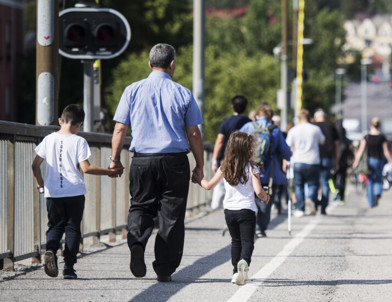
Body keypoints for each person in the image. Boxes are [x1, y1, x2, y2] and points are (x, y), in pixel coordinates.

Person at [109, 43, 204, 282]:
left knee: (141, 206)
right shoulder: (183, 93)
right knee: (171, 215)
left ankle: (137, 244)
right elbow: (193, 133)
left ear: (149, 64)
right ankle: (164, 268)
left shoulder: (132, 90)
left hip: (143, 160)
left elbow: (120, 128)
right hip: (174, 161)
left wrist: (114, 160)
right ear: (172, 64)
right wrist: (200, 165)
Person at [31, 104, 121, 279]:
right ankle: (69, 268)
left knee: (55, 226)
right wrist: (109, 172)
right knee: (72, 229)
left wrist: (40, 184)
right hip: (75, 192)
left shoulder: (49, 139)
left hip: (53, 193)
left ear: (60, 120)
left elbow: (35, 165)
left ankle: (50, 250)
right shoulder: (79, 141)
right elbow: (86, 168)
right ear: (80, 124)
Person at [194, 132, 270, 286]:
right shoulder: (252, 167)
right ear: (247, 149)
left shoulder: (225, 166)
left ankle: (236, 272)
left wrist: (198, 179)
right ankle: (244, 262)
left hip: (230, 211)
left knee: (235, 241)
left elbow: (209, 186)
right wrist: (265, 198)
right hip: (247, 210)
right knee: (248, 241)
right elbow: (259, 191)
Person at [239, 103, 291, 237]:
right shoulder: (274, 130)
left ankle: (245, 227)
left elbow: (236, 145)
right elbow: (285, 152)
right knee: (265, 200)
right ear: (271, 117)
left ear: (257, 114)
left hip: (248, 171)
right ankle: (259, 227)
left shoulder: (248, 126)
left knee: (247, 198)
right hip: (268, 173)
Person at [211, 95, 251, 210]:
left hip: (226, 159)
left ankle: (215, 209)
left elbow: (219, 141)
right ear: (246, 107)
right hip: (244, 161)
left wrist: (214, 160)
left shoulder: (226, 122)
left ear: (232, 107)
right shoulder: (249, 123)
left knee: (220, 187)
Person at [286, 109, 325, 217]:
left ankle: (300, 208)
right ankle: (310, 197)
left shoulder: (293, 130)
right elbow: (322, 141)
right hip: (313, 160)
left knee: (298, 185)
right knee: (313, 184)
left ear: (298, 118)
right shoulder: (315, 129)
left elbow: (288, 146)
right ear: (308, 117)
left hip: (298, 160)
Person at [352, 117, 392, 208]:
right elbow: (386, 151)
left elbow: (361, 151)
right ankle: (378, 192)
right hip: (378, 161)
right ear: (379, 126)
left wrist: (356, 162)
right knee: (378, 178)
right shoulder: (382, 137)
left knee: (369, 181)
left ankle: (371, 203)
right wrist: (390, 161)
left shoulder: (366, 137)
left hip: (368, 161)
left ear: (371, 125)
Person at [312, 109, 339, 215]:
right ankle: (323, 207)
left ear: (316, 117)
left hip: (314, 158)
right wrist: (336, 160)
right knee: (325, 182)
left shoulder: (313, 127)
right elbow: (336, 145)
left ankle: (314, 203)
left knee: (314, 181)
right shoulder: (331, 126)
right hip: (328, 157)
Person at [333, 118, 353, 205]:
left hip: (334, 162)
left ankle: (335, 189)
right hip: (344, 163)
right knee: (343, 180)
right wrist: (352, 160)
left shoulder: (333, 138)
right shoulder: (347, 141)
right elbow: (351, 152)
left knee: (332, 178)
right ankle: (342, 198)